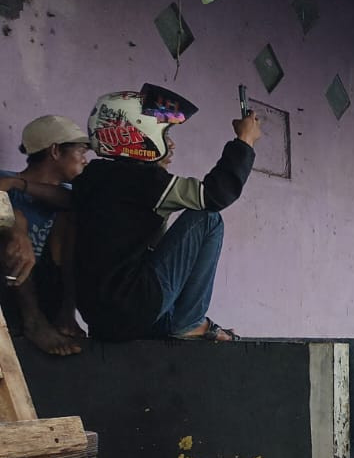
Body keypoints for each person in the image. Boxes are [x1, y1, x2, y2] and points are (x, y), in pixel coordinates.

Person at [73, 86, 260, 342]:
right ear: (139, 133)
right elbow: (214, 196)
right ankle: (190, 322)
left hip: (101, 320)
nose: (171, 144)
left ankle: (186, 322)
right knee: (207, 218)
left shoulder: (91, 178)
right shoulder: (143, 181)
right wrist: (245, 141)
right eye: (165, 133)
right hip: (134, 306)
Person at [1, 116, 93, 355]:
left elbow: (72, 201)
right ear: (55, 150)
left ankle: (66, 314)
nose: (85, 159)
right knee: (10, 216)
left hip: (48, 289)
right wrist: (17, 228)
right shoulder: (2, 179)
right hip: (8, 283)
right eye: (80, 151)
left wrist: (18, 184)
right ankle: (33, 321)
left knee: (72, 219)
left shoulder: (69, 196)